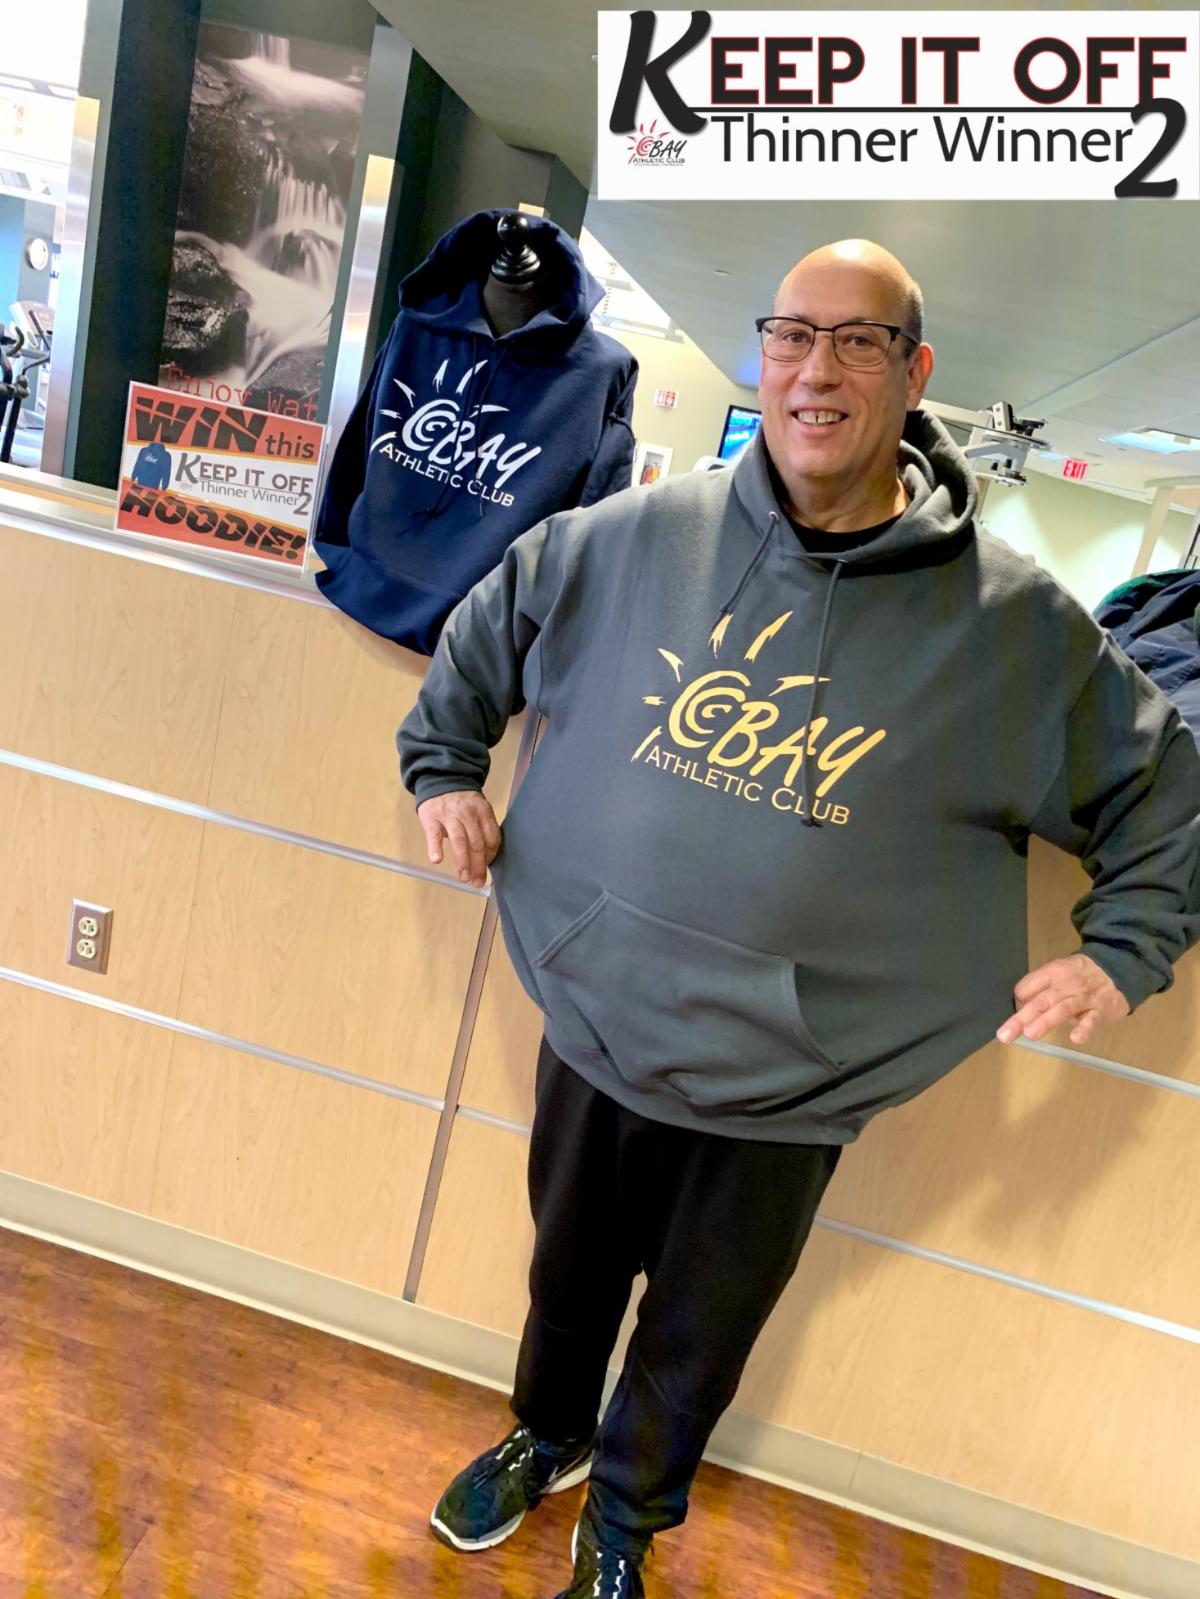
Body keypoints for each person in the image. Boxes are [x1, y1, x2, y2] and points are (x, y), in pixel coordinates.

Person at [397, 239, 1200, 1599]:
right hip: (600, 1013)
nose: (816, 369)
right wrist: (445, 772)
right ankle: (546, 1437)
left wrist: (1123, 953)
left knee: (698, 1335)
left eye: (857, 340)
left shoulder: (1013, 629)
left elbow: (1162, 789)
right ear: (761, 356)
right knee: (566, 1279)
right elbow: (486, 638)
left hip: (795, 1074)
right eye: (792, 335)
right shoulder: (628, 539)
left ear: (914, 371)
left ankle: (623, 1525)